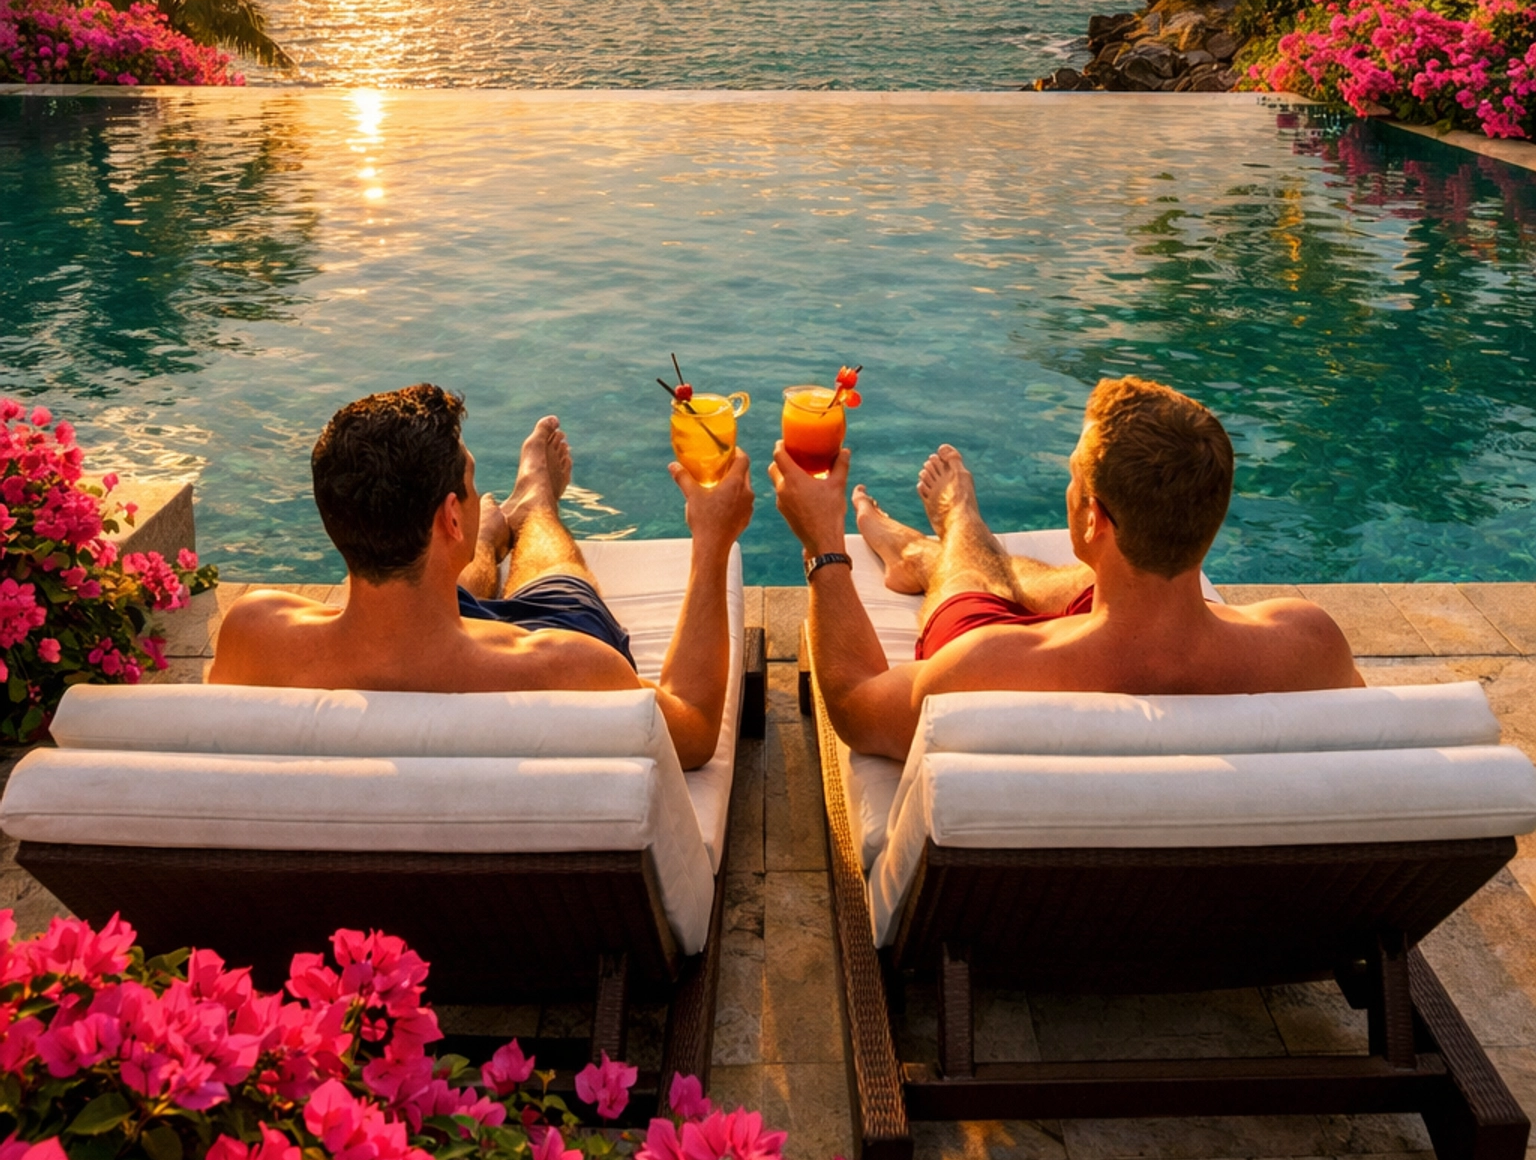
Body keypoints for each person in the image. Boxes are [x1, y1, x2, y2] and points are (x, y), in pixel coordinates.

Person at [770, 373, 1360, 762]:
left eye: (1075, 474)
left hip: (1017, 930)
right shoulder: (1310, 643)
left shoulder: (986, 669)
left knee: (970, 587)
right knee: (1104, 586)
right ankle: (945, 544)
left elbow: (853, 702)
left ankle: (953, 534)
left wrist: (823, 540)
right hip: (1253, 928)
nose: (1070, 484)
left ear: (1091, 520)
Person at [209, 384, 752, 771]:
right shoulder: (572, 668)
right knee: (558, 577)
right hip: (515, 649)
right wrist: (712, 540)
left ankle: (488, 535)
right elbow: (698, 727)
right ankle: (536, 505)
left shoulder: (253, 633)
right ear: (450, 515)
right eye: (469, 481)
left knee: (439, 582)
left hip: (425, 629)